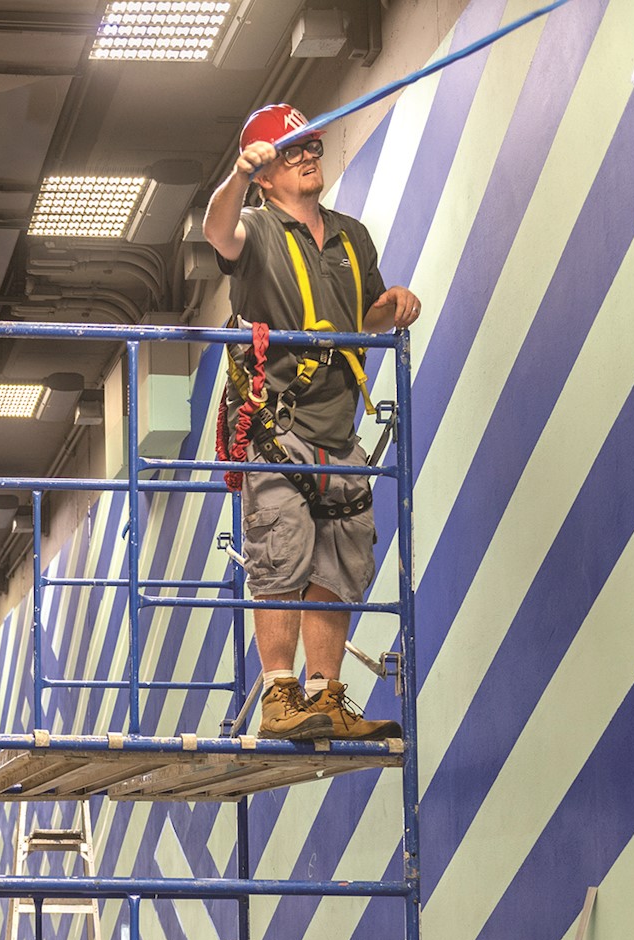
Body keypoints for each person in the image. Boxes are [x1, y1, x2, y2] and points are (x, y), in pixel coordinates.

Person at [203, 103, 423, 741]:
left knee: (340, 559)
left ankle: (325, 697)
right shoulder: (251, 228)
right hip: (279, 427)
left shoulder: (352, 237)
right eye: (289, 151)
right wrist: (237, 176)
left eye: (310, 147)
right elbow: (216, 230)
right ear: (266, 173)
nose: (306, 156)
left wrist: (395, 306)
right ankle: (280, 697)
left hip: (339, 431)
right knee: (282, 553)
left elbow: (365, 317)